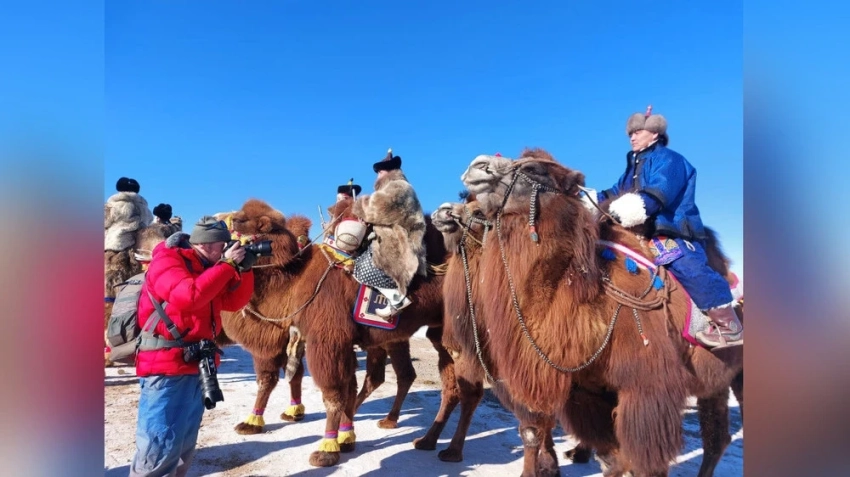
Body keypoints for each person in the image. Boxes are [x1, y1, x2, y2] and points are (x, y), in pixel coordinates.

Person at [581, 106, 742, 350]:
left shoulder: (671, 160)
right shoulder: (633, 168)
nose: (632, 137)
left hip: (672, 230)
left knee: (684, 263)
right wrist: (586, 198)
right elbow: (613, 193)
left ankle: (730, 326)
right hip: (642, 233)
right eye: (630, 133)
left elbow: (659, 193)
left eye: (637, 131)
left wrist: (624, 210)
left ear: (654, 134)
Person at [129, 216, 255, 477]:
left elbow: (233, 302)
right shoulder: (168, 260)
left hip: (196, 362)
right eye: (224, 245)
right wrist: (228, 265)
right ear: (210, 244)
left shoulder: (206, 265)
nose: (227, 249)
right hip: (165, 365)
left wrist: (245, 269)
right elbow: (189, 297)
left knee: (183, 441)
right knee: (159, 442)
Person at [352, 149, 427, 317]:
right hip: (394, 239)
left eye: (380, 171)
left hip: (400, 245)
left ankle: (395, 299)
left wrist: (359, 205)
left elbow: (378, 208)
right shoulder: (397, 187)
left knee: (362, 268)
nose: (377, 175)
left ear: (390, 171)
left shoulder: (399, 187)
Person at [105, 177, 154, 252]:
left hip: (117, 244)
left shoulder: (113, 205)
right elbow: (150, 221)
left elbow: (105, 223)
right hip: (141, 245)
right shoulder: (145, 208)